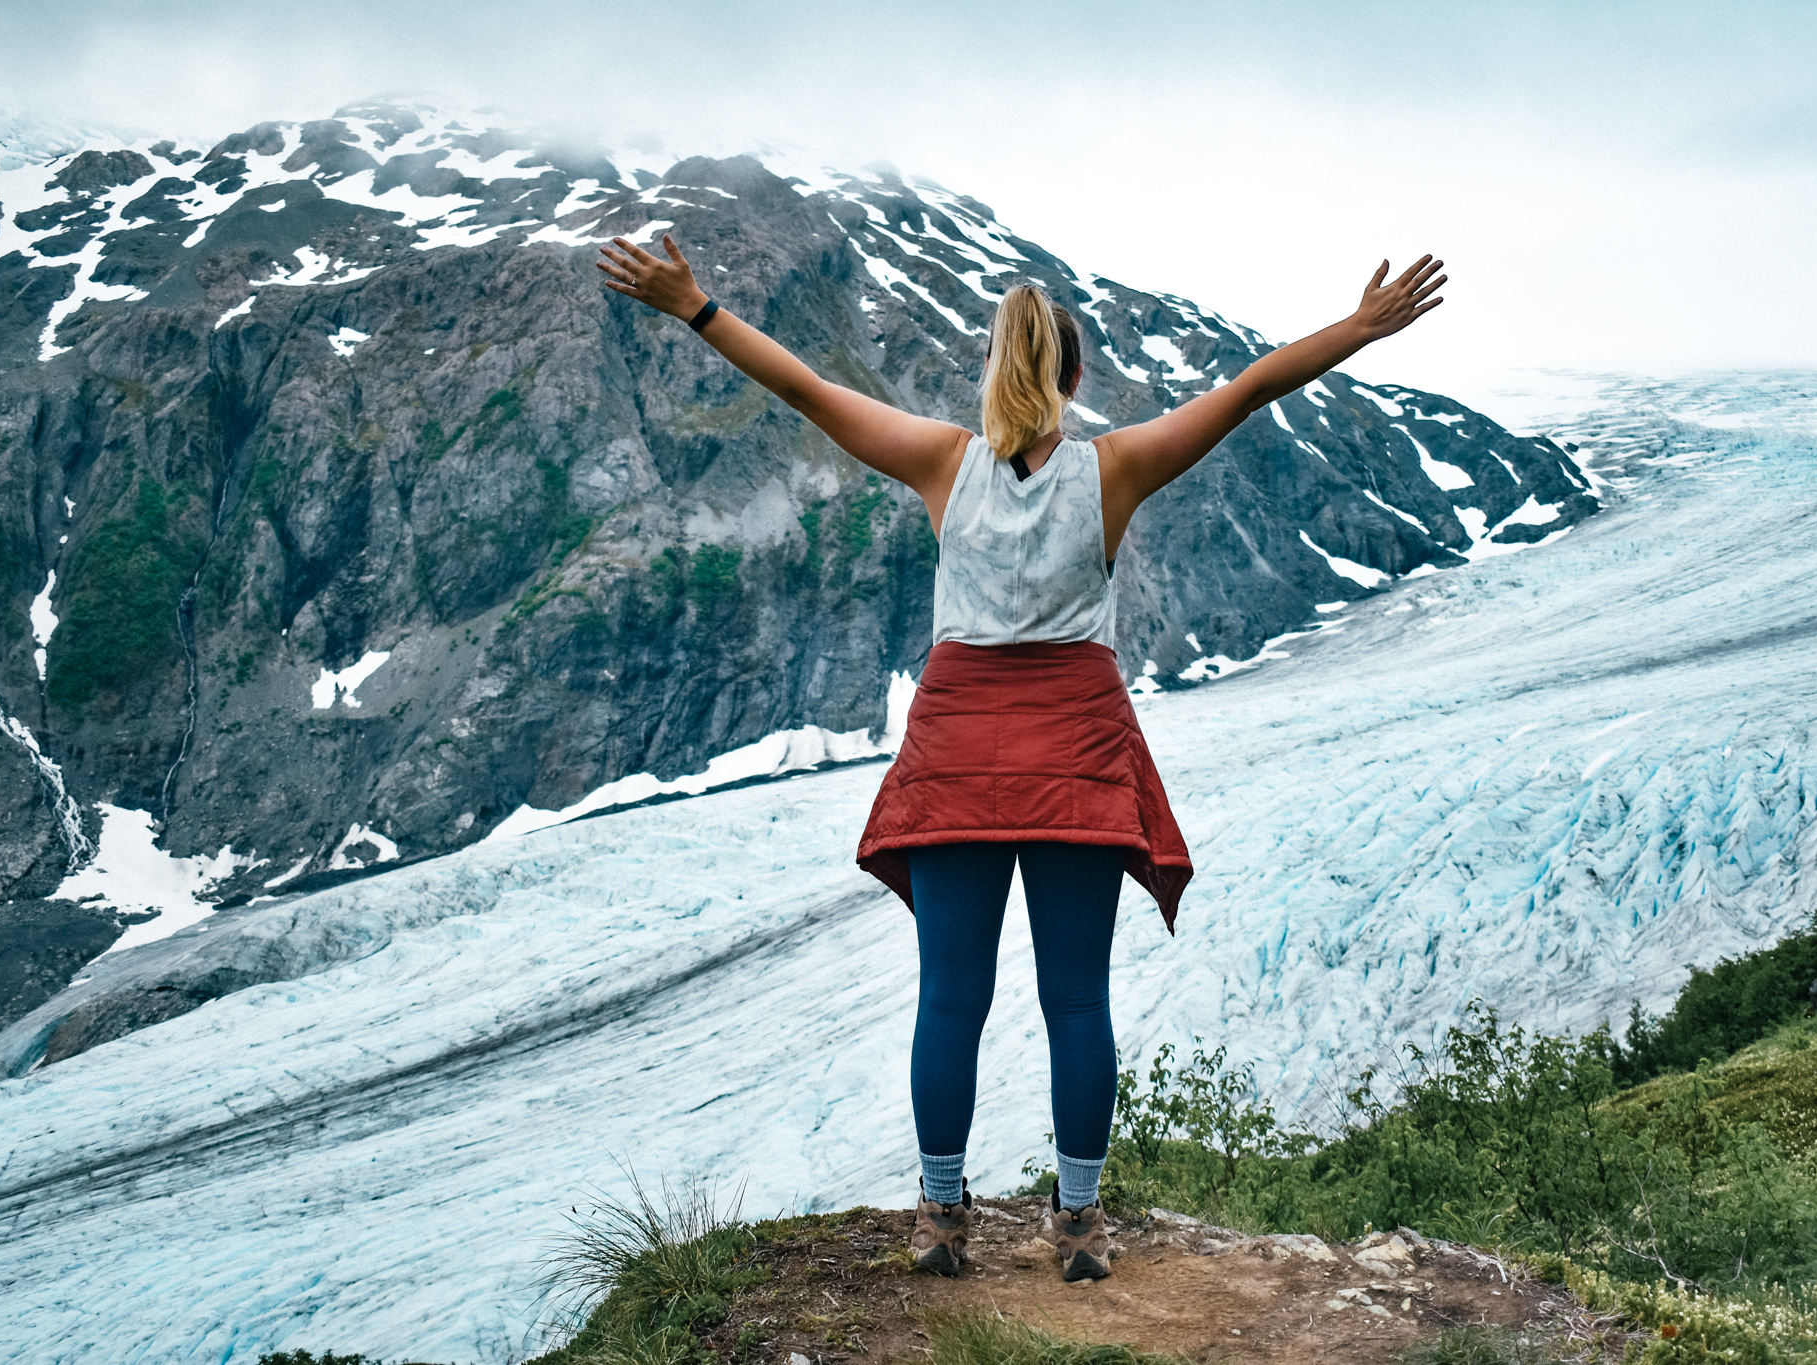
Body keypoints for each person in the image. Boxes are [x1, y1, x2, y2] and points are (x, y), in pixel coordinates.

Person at [598, 232, 1443, 1281]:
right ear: (1074, 377)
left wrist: (696, 307)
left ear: (993, 373)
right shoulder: (1116, 468)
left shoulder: (940, 463)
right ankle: (1078, 1226)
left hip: (958, 751)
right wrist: (1358, 329)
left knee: (949, 997)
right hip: (1075, 752)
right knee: (1076, 999)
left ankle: (941, 1216)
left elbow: (807, 391)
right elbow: (1245, 391)